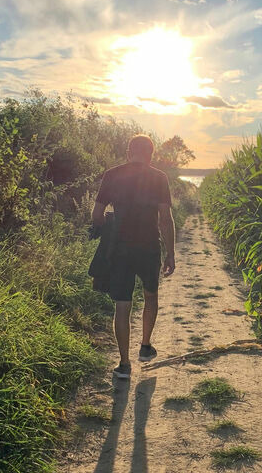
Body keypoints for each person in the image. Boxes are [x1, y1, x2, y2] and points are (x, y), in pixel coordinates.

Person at [92, 134, 175, 379]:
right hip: (149, 247)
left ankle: (124, 364)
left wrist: (106, 229)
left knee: (122, 304)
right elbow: (165, 220)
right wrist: (170, 253)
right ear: (151, 154)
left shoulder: (112, 174)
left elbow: (97, 213)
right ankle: (146, 346)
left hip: (120, 248)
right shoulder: (159, 177)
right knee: (150, 295)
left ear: (129, 151)